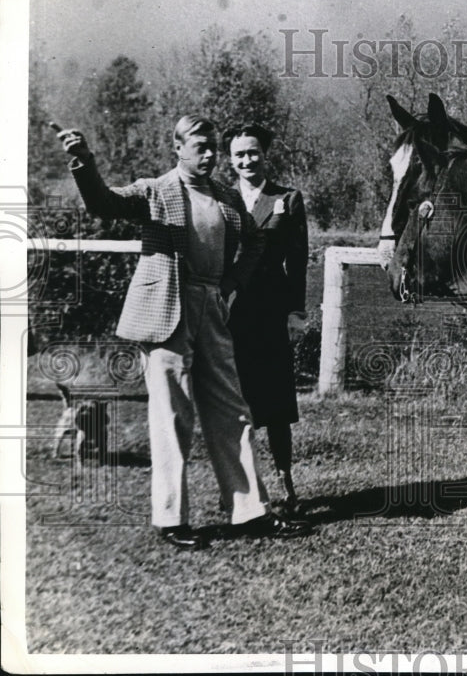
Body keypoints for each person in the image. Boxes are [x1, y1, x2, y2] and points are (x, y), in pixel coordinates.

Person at [60, 116, 311, 548]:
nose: (211, 155)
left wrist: (231, 285)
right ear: (178, 149)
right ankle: (172, 519)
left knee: (233, 411)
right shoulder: (155, 190)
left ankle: (249, 512)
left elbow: (255, 244)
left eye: (214, 147)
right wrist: (83, 163)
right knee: (172, 417)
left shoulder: (227, 198)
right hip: (165, 311)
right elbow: (104, 204)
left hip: (212, 307)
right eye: (201, 147)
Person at [223, 124, 308, 514]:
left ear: (265, 154)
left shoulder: (287, 199)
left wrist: (295, 312)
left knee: (275, 403)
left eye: (253, 153)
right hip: (230, 310)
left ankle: (285, 481)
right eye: (239, 155)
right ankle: (240, 488)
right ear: (230, 159)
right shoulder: (221, 199)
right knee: (235, 401)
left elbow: (298, 261)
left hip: (271, 311)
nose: (247, 161)